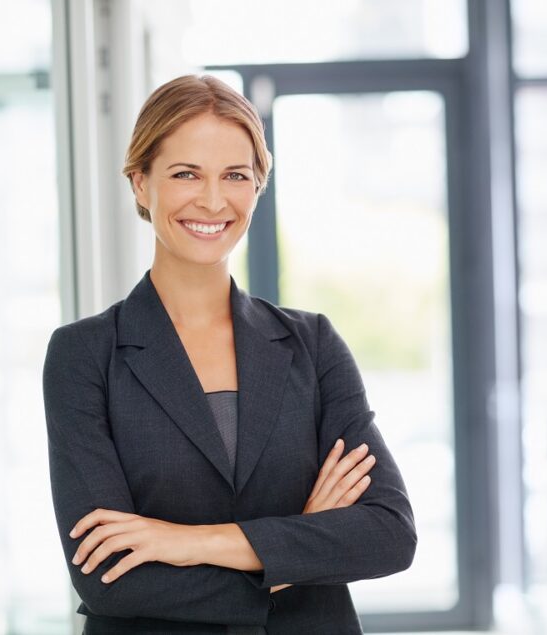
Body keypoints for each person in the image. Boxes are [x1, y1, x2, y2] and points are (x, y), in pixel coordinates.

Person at [42, 74, 417, 634]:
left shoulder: (311, 345)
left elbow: (388, 533)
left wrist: (188, 542)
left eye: (235, 176)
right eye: (186, 173)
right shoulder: (85, 355)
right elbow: (109, 575)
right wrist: (296, 549)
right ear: (141, 183)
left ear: (257, 188)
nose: (213, 200)